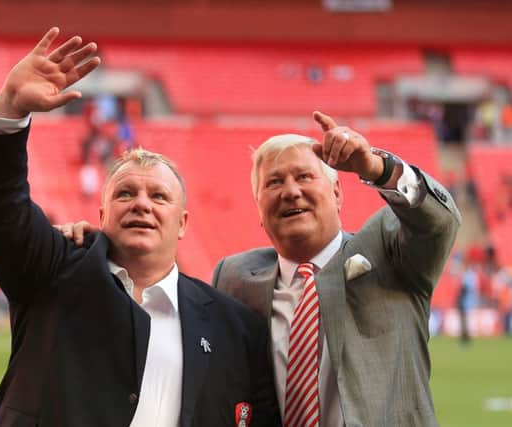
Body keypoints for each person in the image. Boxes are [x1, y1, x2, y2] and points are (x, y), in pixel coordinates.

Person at [61, 114, 461, 426]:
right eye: (274, 182)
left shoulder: (392, 252)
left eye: (305, 176)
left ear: (337, 193)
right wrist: (104, 246)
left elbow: (440, 222)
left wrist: (377, 167)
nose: (290, 191)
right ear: (258, 209)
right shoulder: (235, 278)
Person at [0, 28, 278, 427]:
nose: (142, 204)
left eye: (159, 197)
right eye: (126, 193)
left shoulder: (235, 327)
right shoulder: (52, 271)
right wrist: (9, 108)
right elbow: (2, 208)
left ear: (182, 224)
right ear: (101, 215)